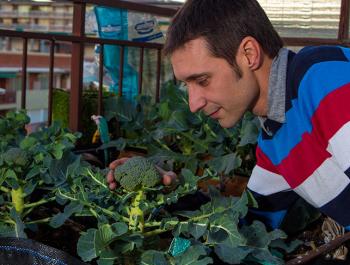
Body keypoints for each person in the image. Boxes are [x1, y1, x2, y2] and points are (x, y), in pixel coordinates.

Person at [108, 0, 350, 231]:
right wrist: (169, 188)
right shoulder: (274, 138)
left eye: (202, 80)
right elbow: (248, 230)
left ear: (248, 54)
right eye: (187, 86)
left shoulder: (326, 81)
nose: (194, 104)